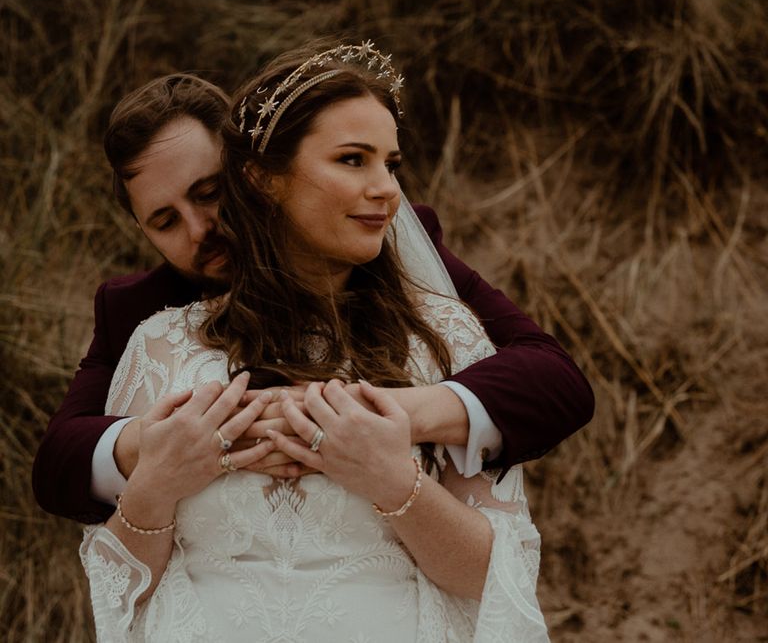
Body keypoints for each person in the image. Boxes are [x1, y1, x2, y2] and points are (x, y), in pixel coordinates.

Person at [78, 41, 558, 642]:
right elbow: (119, 589)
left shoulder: (443, 333)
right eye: (353, 160)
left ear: (238, 180)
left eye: (389, 163)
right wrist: (155, 479)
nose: (387, 190)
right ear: (266, 180)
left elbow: (494, 577)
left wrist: (390, 472)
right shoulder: (158, 344)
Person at [32, 73, 594, 525]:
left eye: (210, 192)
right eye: (164, 220)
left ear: (256, 173)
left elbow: (554, 379)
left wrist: (390, 416)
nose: (200, 229)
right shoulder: (135, 308)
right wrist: (159, 443)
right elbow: (57, 462)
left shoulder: (376, 239)